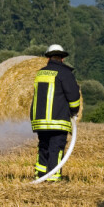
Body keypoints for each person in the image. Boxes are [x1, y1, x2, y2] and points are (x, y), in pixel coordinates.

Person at [30, 44, 81, 182]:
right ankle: (53, 178)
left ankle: (40, 176)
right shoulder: (65, 74)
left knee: (43, 147)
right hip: (57, 120)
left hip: (40, 121)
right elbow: (74, 97)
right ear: (62, 58)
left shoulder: (40, 73)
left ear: (49, 57)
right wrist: (74, 112)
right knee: (56, 149)